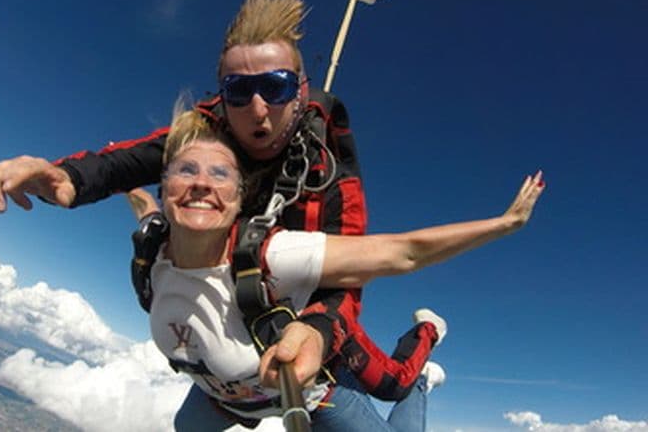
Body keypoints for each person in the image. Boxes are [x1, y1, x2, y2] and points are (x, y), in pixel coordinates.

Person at [0, 0, 457, 401]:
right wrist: (65, 177)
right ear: (223, 94)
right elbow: (134, 159)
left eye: (276, 87)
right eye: (239, 91)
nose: (257, 109)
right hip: (241, 297)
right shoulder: (209, 130)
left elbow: (351, 270)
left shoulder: (331, 172)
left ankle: (428, 333)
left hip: (302, 295)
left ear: (301, 92)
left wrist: (318, 328)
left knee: (391, 386)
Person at [143, 107, 544, 431]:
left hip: (314, 396)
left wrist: (503, 224)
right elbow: (143, 205)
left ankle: (423, 366)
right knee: (185, 426)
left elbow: (404, 253)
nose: (200, 184)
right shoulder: (152, 248)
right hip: (225, 398)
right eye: (186, 170)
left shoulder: (273, 254)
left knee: (395, 385)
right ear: (164, 185)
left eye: (219, 174)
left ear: (240, 196)